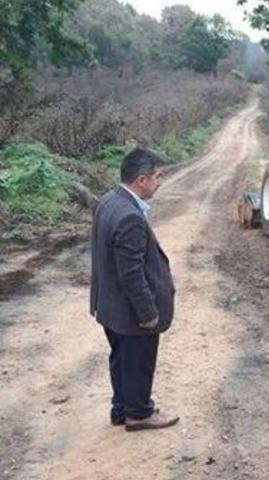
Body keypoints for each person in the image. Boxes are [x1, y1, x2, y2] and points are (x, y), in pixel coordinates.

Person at [89, 147, 179, 432]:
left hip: (110, 306)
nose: (159, 182)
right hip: (130, 312)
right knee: (138, 361)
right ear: (141, 180)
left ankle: (121, 408)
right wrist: (148, 312)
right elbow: (131, 274)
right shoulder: (130, 217)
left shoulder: (107, 201)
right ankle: (138, 414)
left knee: (121, 359)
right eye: (157, 177)